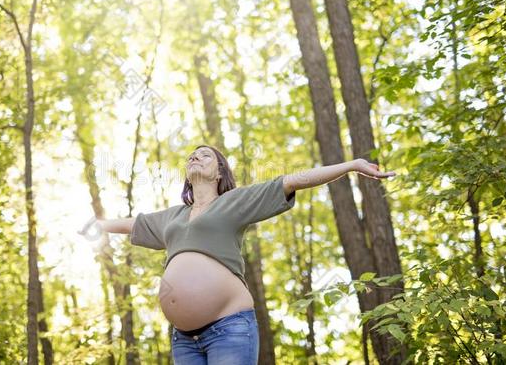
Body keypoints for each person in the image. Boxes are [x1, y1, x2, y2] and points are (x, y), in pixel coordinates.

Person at [100, 145, 396, 364]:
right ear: (187, 179)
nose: (195, 157)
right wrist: (94, 225)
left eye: (204, 155)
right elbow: (132, 224)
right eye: (192, 155)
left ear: (219, 173)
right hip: (184, 340)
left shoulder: (234, 202)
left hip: (229, 328)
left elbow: (293, 180)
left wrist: (351, 165)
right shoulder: (173, 217)